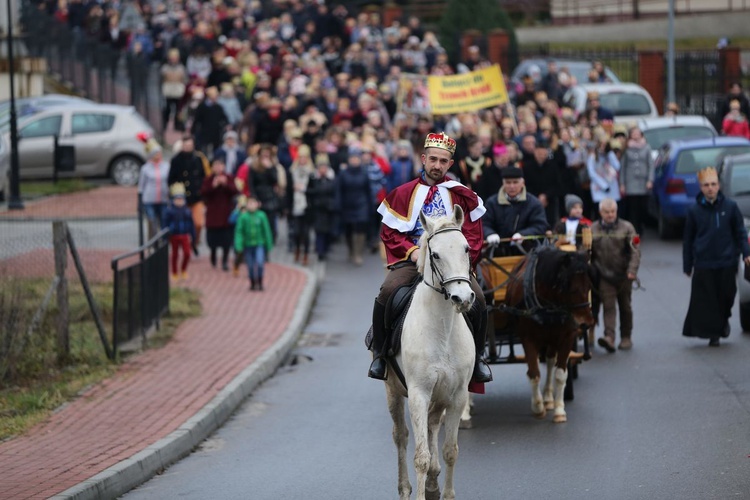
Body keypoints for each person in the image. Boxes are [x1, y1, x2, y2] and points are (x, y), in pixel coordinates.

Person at [368, 132, 493, 383]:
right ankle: (381, 354)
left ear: (450, 164)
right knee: (387, 291)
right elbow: (390, 232)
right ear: (423, 159)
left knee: (478, 297)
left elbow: (473, 235)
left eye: (443, 161)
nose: (437, 165)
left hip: (450, 263)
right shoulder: (402, 194)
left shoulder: (461, 195)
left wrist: (460, 261)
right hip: (413, 260)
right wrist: (413, 253)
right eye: (432, 159)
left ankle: (478, 359)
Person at [682, 167, 750, 346]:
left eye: (713, 184)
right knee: (709, 301)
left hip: (727, 261)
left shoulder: (730, 207)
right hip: (704, 262)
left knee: (727, 295)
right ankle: (715, 333)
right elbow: (688, 239)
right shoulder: (694, 211)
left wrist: (746, 253)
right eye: (706, 185)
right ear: (701, 187)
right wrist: (687, 265)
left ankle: (723, 319)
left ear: (719, 186)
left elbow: (740, 232)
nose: (710, 188)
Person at [590, 198, 641, 352]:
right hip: (604, 275)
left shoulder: (627, 227)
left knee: (625, 307)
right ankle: (609, 337)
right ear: (601, 213)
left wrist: (632, 270)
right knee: (608, 306)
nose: (610, 215)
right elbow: (586, 252)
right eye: (607, 212)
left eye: (613, 212)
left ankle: (626, 337)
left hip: (625, 275)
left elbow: (635, 250)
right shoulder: (592, 229)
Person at [482, 166, 549, 256]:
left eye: (515, 182)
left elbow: (540, 225)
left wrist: (523, 235)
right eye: (508, 183)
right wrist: (489, 234)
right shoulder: (492, 202)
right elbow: (484, 223)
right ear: (503, 183)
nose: (512, 186)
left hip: (527, 253)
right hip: (497, 252)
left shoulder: (534, 203)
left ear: (523, 183)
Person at [169, 135, 210, 255]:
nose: (188, 147)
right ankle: (186, 245)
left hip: (197, 197)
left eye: (190, 145)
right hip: (183, 198)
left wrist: (203, 191)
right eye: (186, 145)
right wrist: (176, 193)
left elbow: (203, 176)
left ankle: (195, 242)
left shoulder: (198, 158)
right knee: (184, 224)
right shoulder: (176, 160)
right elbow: (171, 179)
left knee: (198, 223)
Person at [201, 157, 238, 271]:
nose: (218, 168)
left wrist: (225, 184)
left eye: (220, 165)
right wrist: (214, 186)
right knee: (213, 240)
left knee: (226, 240)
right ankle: (213, 255)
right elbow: (203, 193)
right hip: (213, 214)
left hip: (226, 214)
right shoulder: (208, 179)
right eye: (215, 166)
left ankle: (225, 261)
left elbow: (235, 191)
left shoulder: (229, 178)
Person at [619, 126, 654, 236]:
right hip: (631, 182)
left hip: (643, 182)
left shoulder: (647, 147)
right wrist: (622, 184)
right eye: (633, 133)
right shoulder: (626, 148)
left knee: (643, 207)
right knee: (633, 208)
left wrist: (650, 180)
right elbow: (622, 167)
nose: (636, 135)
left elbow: (651, 165)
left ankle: (642, 226)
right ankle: (634, 230)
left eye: (638, 133)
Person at [235, 196, 274, 291]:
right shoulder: (243, 217)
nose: (251, 205)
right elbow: (239, 232)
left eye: (253, 203)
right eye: (249, 203)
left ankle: (260, 281)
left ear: (257, 204)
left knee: (260, 262)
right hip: (248, 245)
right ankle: (252, 282)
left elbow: (266, 230)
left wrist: (268, 244)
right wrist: (239, 245)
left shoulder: (261, 216)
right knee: (250, 265)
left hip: (259, 244)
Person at [162, 183, 196, 281]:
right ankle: (174, 272)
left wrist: (193, 236)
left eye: (181, 199)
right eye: (177, 199)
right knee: (175, 255)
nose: (179, 201)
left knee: (187, 253)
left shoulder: (187, 211)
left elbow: (191, 224)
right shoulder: (169, 211)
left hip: (185, 235)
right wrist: (166, 235)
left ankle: (183, 269)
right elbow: (165, 224)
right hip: (174, 236)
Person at [138, 139, 170, 239]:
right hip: (149, 199)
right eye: (156, 153)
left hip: (163, 198)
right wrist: (140, 201)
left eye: (159, 153)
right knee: (152, 221)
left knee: (164, 220)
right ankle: (153, 241)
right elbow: (141, 186)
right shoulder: (145, 168)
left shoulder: (166, 166)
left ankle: (164, 241)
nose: (158, 155)